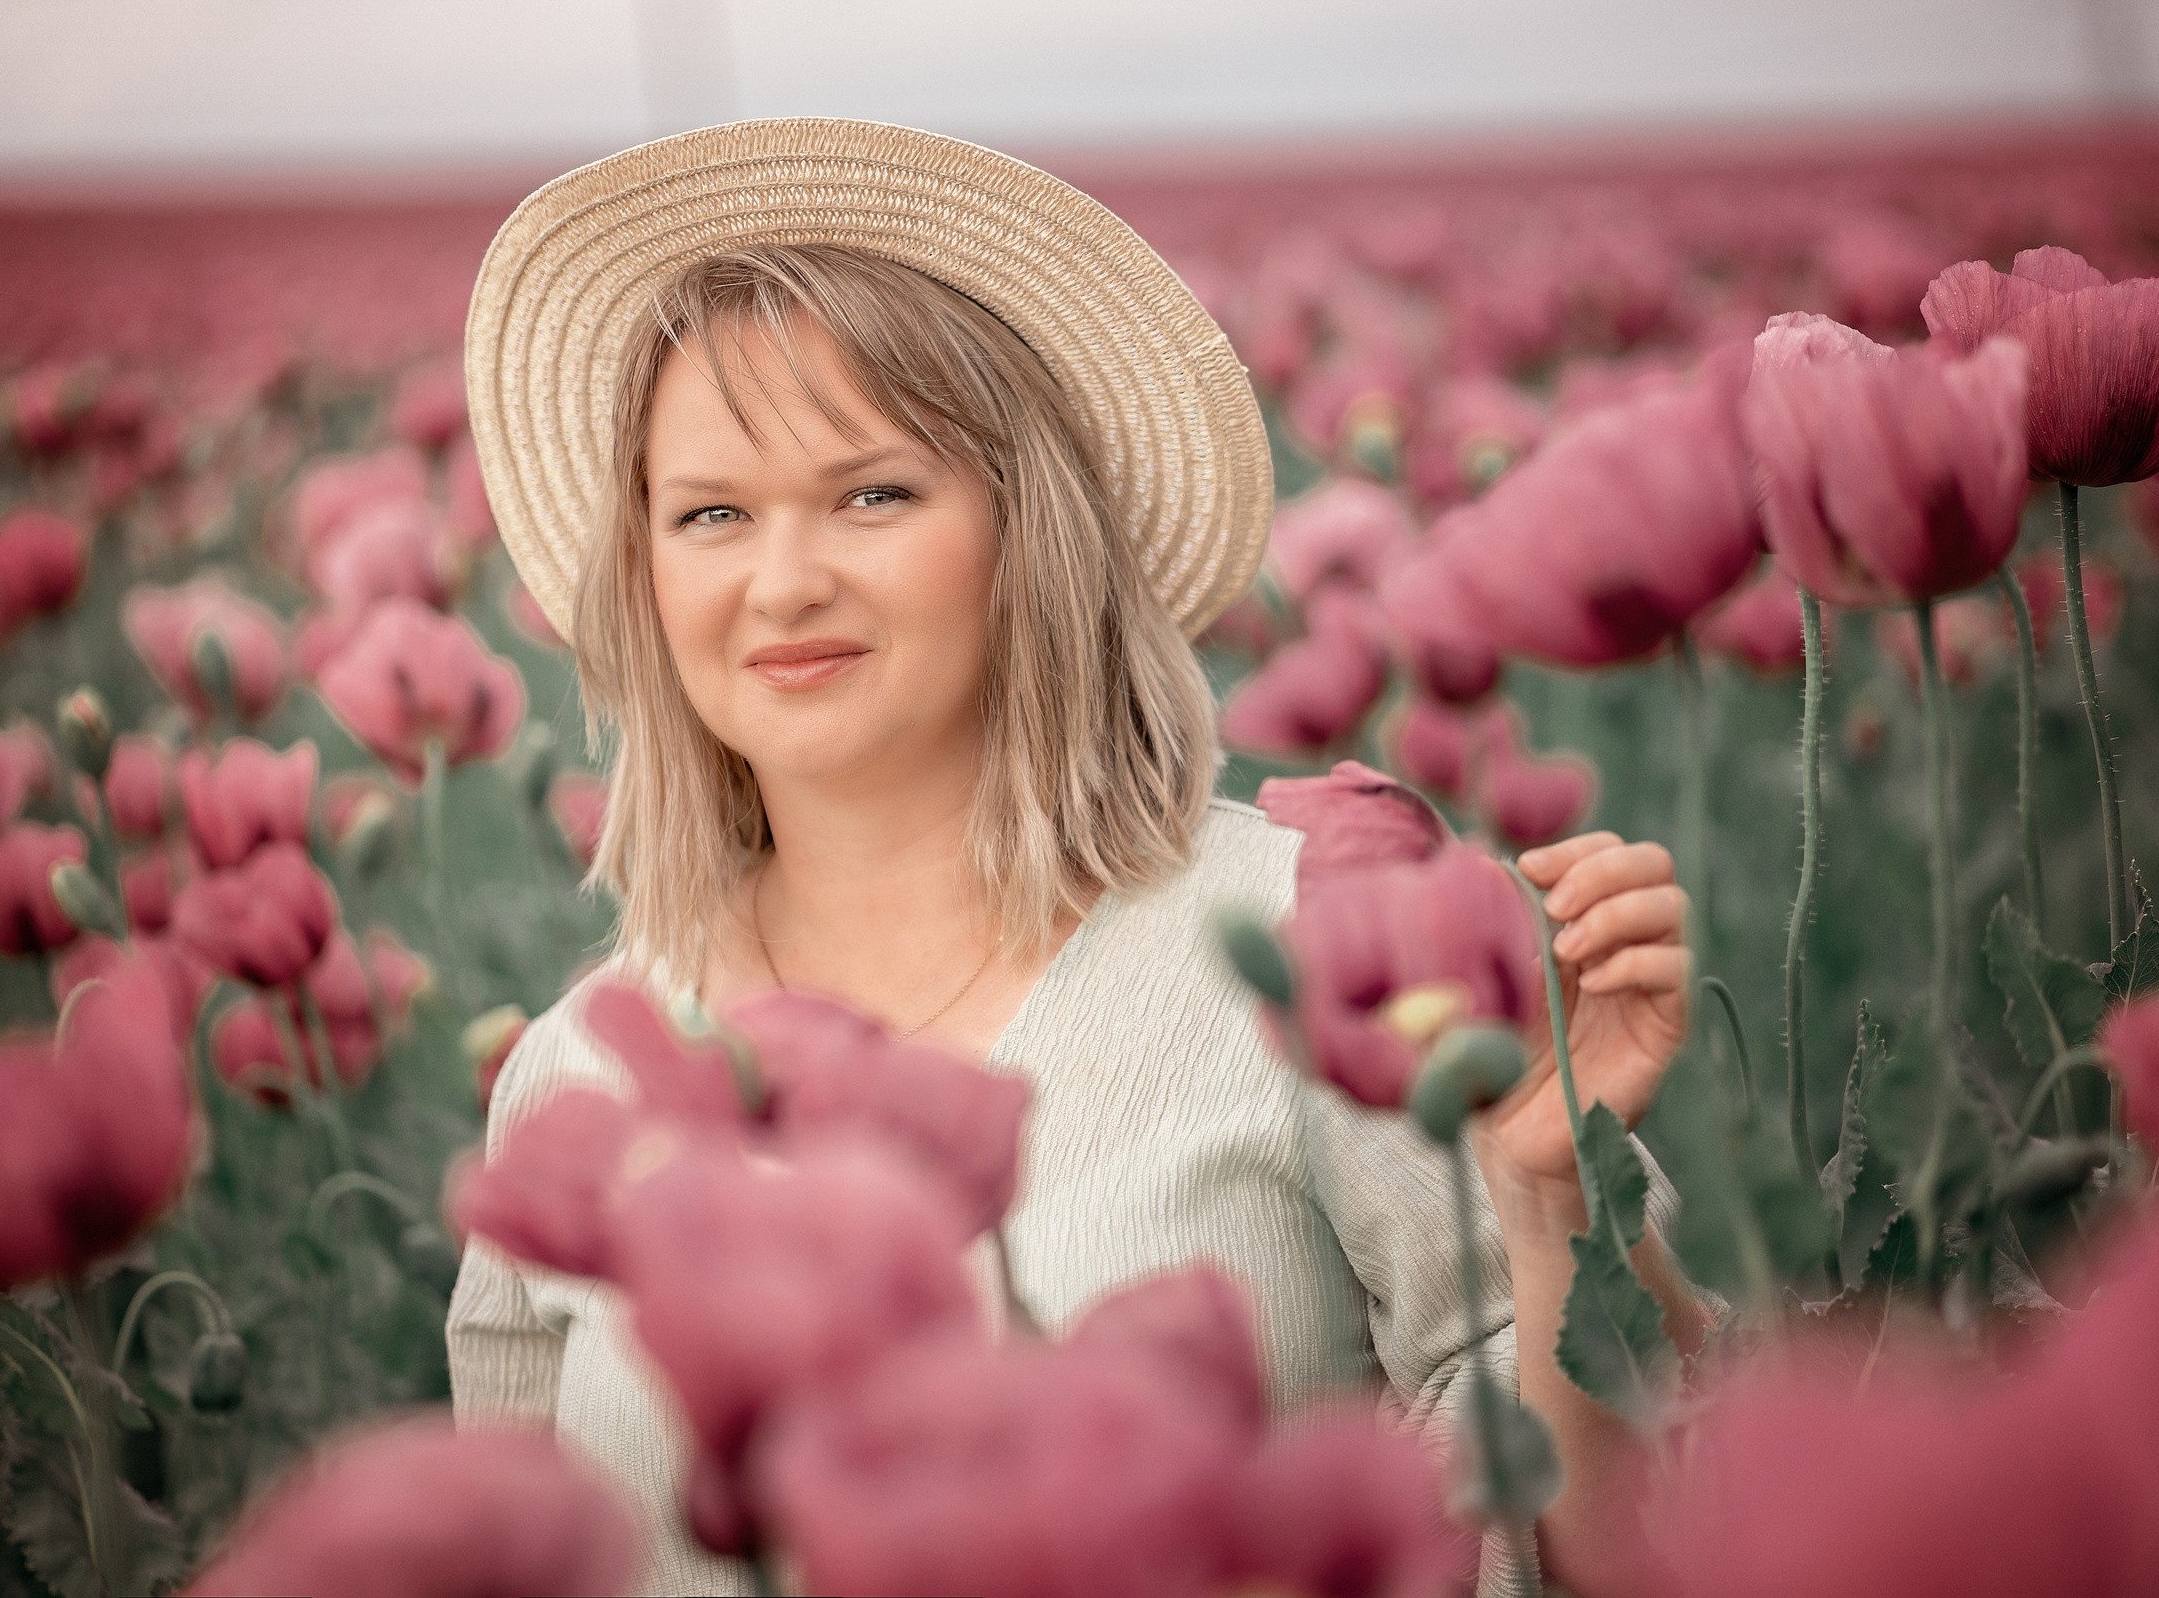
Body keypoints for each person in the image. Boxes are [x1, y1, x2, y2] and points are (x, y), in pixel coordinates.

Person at [447, 119, 1711, 1598]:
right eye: (713, 515)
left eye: (874, 493)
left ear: (1025, 530)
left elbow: (1629, 1558)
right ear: (647, 573)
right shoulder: (579, 1084)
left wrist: (1560, 1210)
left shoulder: (1322, 960)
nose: (783, 582)